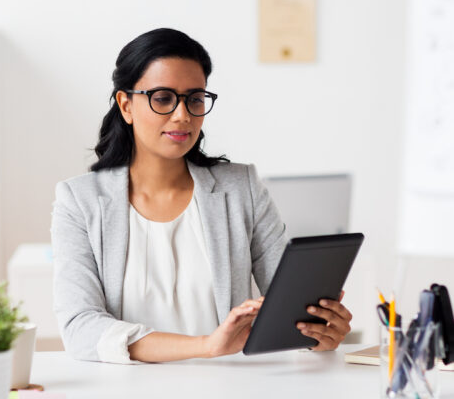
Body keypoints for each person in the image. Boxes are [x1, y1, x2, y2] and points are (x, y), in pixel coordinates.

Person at [51, 28, 352, 364]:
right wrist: (207, 346)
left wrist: (318, 334)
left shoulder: (242, 188)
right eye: (163, 98)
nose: (183, 115)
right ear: (126, 105)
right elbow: (80, 329)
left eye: (194, 99)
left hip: (227, 396)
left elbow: (288, 304)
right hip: (128, 398)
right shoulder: (79, 201)